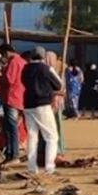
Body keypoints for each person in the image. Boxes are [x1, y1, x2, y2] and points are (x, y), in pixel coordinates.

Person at [21, 46, 64, 175]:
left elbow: (23, 82)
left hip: (28, 105)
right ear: (43, 56)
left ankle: (31, 168)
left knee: (32, 137)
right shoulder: (46, 68)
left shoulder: (25, 69)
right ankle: (49, 167)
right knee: (51, 137)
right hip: (43, 105)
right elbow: (58, 84)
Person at [0, 43, 26, 165]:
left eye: (2, 54)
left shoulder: (14, 62)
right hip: (18, 98)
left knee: (11, 128)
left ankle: (13, 154)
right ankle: (11, 153)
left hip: (11, 98)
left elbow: (9, 80)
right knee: (11, 127)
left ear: (6, 53)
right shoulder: (22, 62)